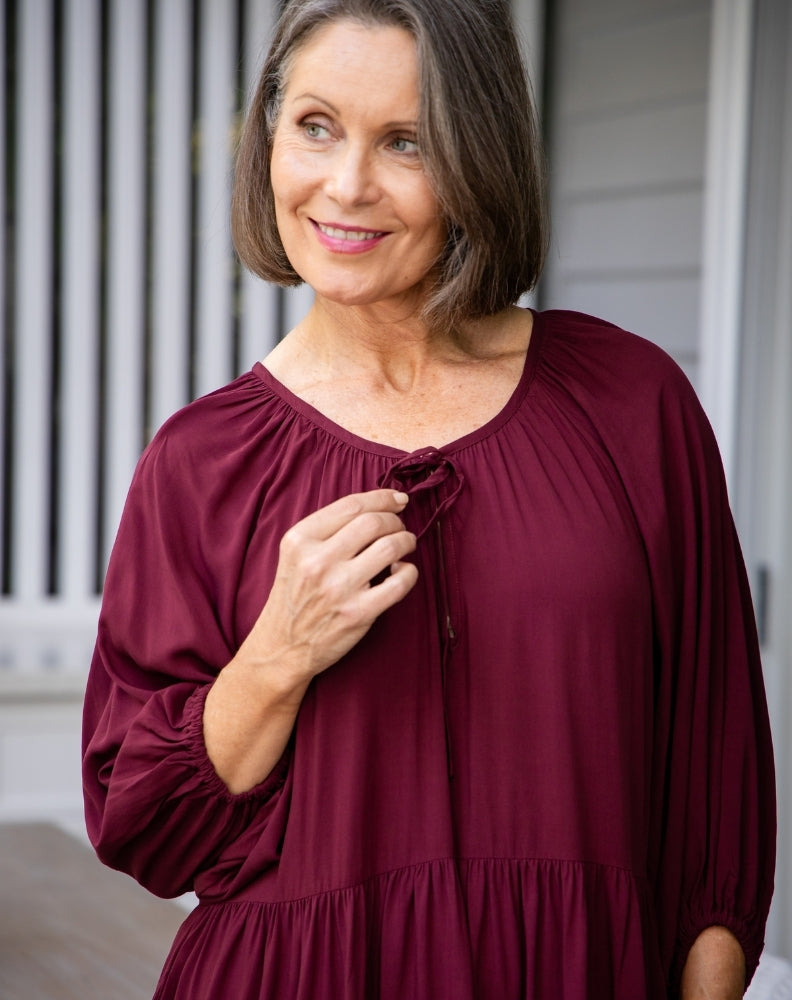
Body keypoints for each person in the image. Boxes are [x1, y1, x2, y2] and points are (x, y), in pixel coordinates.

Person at [81, 0, 775, 997]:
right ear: (270, 134)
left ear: (475, 159)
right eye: (316, 124)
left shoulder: (631, 402)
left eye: (405, 141)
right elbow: (144, 827)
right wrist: (280, 649)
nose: (347, 185)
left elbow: (716, 787)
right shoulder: (200, 462)